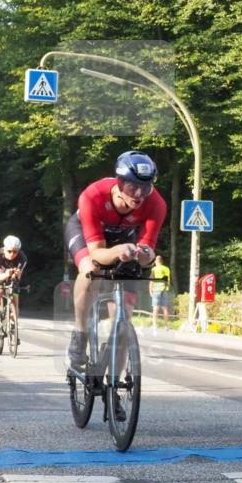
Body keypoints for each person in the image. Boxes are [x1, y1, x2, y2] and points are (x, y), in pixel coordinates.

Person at [64, 151, 166, 368]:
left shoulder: (156, 203)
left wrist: (145, 255)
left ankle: (115, 383)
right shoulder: (92, 196)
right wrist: (118, 251)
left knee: (123, 321)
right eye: (132, 187)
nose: (139, 194)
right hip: (86, 234)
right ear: (119, 183)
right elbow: (97, 252)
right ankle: (80, 332)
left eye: (146, 188)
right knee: (91, 269)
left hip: (123, 237)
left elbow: (148, 249)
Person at [0, 235, 28, 333]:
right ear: (4, 249)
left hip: (11, 274)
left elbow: (19, 276)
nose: (12, 254)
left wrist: (16, 274)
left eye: (15, 252)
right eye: (9, 251)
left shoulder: (22, 258)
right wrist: (7, 274)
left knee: (15, 298)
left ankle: (13, 322)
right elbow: (0, 277)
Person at [150, 255, 172, 329]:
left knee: (155, 308)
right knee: (165, 308)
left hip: (156, 290)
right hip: (165, 289)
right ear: (162, 261)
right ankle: (166, 326)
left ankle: (154, 325)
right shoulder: (167, 269)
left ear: (156, 261)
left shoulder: (154, 269)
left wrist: (150, 290)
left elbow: (152, 281)